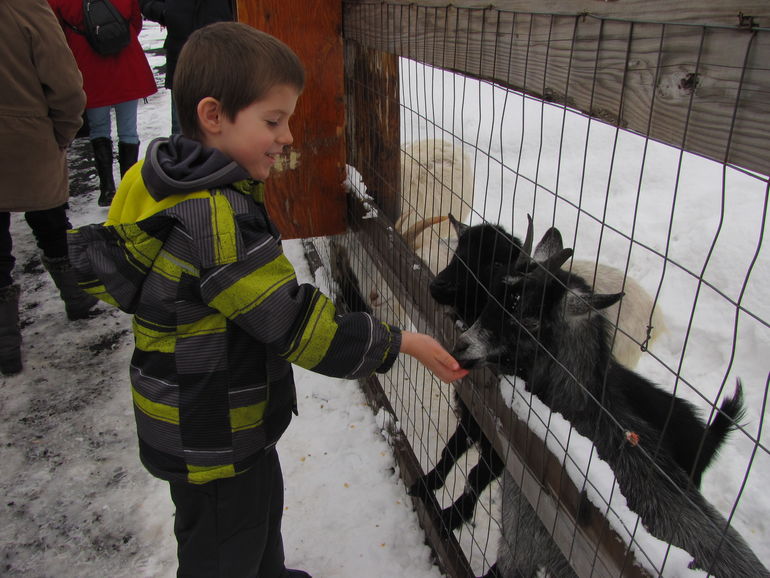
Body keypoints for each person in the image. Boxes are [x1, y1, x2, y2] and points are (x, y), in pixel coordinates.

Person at [68, 22, 468, 577]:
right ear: (214, 117)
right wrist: (399, 342)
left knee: (257, 513)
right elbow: (294, 322)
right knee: (224, 546)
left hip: (218, 415)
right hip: (212, 432)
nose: (287, 137)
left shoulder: (181, 182)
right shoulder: (216, 219)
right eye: (273, 121)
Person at [0, 0, 100, 376]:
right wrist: (62, 132)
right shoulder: (25, 8)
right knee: (51, 219)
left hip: (23, 131)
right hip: (27, 137)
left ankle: (6, 345)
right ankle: (76, 297)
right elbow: (66, 85)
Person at [49, 0, 157, 207]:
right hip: (125, 60)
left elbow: (56, 31)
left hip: (88, 65)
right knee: (128, 131)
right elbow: (135, 22)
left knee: (99, 129)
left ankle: (106, 188)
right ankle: (128, 187)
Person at [139, 0, 235, 134]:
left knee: (224, 123)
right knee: (182, 126)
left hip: (223, 54)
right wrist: (166, 12)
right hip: (181, 55)